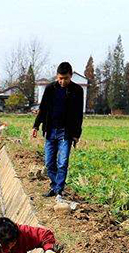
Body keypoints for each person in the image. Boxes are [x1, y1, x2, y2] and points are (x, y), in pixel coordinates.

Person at [31, 61, 84, 200]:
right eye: (60, 78)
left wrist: (77, 134)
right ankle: (55, 186)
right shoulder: (50, 89)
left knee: (63, 162)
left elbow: (78, 114)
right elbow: (43, 109)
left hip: (66, 132)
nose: (62, 81)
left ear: (70, 76)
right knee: (49, 163)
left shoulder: (77, 91)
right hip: (50, 130)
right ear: (57, 76)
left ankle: (59, 190)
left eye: (65, 78)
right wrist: (36, 126)